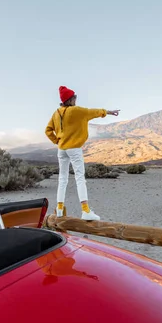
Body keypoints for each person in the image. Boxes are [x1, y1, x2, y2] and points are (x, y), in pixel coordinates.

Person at [45, 85, 120, 221]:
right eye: (75, 98)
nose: (76, 100)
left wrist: (57, 141)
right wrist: (110, 112)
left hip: (61, 150)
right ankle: (85, 210)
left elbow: (48, 130)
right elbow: (94, 112)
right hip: (74, 149)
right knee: (80, 178)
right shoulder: (77, 111)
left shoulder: (56, 113)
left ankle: (60, 209)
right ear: (70, 99)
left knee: (62, 179)